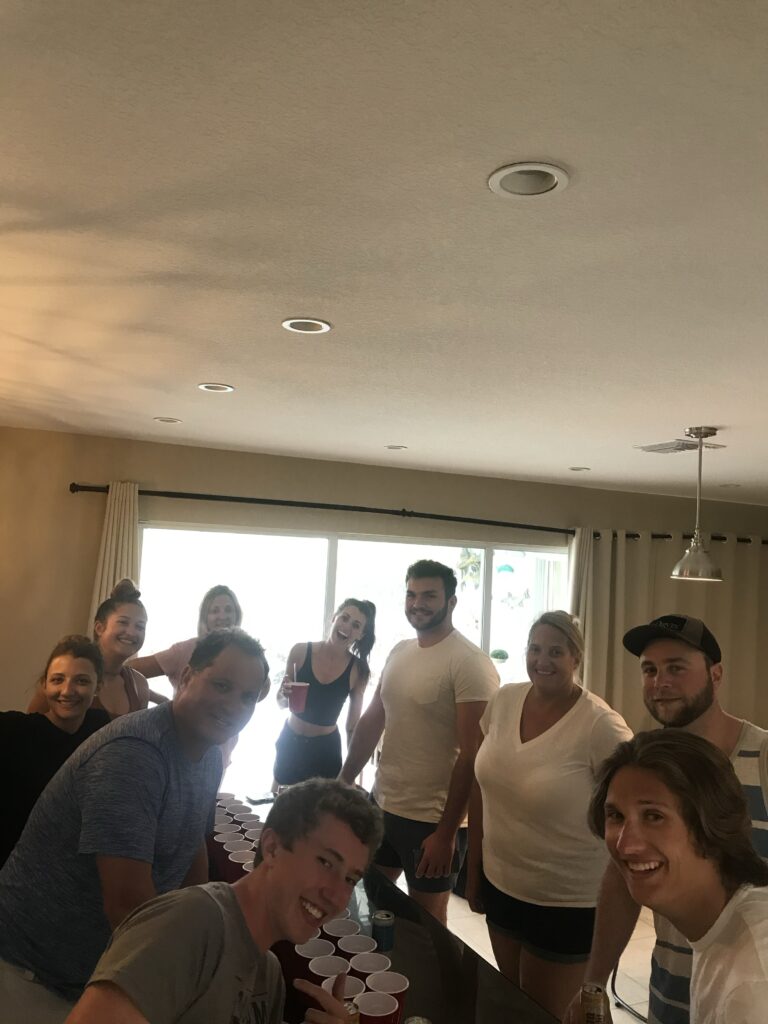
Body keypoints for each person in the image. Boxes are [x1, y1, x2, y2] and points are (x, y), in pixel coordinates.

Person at [0, 628, 270, 1022]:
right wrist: (196, 978)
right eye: (222, 685)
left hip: (96, 969)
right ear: (187, 676)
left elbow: (192, 845)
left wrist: (210, 926)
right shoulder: (134, 755)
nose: (234, 706)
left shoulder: (209, 756)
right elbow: (127, 905)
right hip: (32, 970)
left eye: (248, 696)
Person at [563, 613, 768, 1024]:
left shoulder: (762, 758)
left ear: (716, 674)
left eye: (676, 668)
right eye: (650, 670)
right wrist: (594, 982)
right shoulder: (643, 763)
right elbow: (622, 877)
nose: (660, 682)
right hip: (672, 987)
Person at [64, 779, 382, 1024]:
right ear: (272, 847)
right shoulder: (191, 925)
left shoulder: (268, 975)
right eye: (326, 862)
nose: (336, 895)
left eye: (350, 879)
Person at [465, 611, 632, 1020]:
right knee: (515, 1003)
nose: (543, 660)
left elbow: (635, 807)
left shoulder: (599, 725)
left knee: (544, 1014)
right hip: (502, 885)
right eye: (535, 649)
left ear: (576, 659)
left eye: (556, 652)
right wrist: (474, 868)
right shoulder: (505, 700)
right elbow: (481, 784)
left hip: (565, 902)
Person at [340, 559, 499, 925]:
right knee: (372, 904)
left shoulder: (469, 662)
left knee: (427, 923)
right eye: (411, 595)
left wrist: (446, 834)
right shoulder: (399, 651)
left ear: (451, 602)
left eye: (429, 595)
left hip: (432, 820)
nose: (417, 603)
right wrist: (344, 779)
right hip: (384, 804)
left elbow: (473, 756)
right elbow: (372, 721)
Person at [589, 729, 768, 1023]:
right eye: (616, 816)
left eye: (654, 816)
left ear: (712, 825)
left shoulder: (751, 983)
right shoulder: (721, 930)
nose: (625, 845)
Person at [0, 635, 111, 868]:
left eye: (81, 681)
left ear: (98, 686)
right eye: (57, 680)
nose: (67, 691)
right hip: (12, 865)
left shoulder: (100, 727)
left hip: (67, 865)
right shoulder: (15, 730)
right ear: (44, 684)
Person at [274, 598, 376, 785]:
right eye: (344, 618)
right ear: (334, 618)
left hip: (326, 752)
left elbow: (352, 728)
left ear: (361, 635)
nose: (347, 626)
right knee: (282, 801)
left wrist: (350, 775)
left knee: (322, 804)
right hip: (290, 743)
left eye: (356, 625)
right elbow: (281, 702)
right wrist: (283, 695)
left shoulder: (358, 670)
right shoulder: (300, 651)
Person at [28, 578, 151, 718]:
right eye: (123, 622)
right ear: (99, 628)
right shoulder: (65, 675)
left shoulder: (139, 684)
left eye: (140, 626)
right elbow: (30, 726)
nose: (132, 632)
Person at [131, 584, 243, 693]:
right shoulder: (185, 650)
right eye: (215, 611)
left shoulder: (245, 654)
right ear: (205, 617)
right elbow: (128, 670)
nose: (222, 616)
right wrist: (158, 700)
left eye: (228, 610)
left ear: (237, 615)